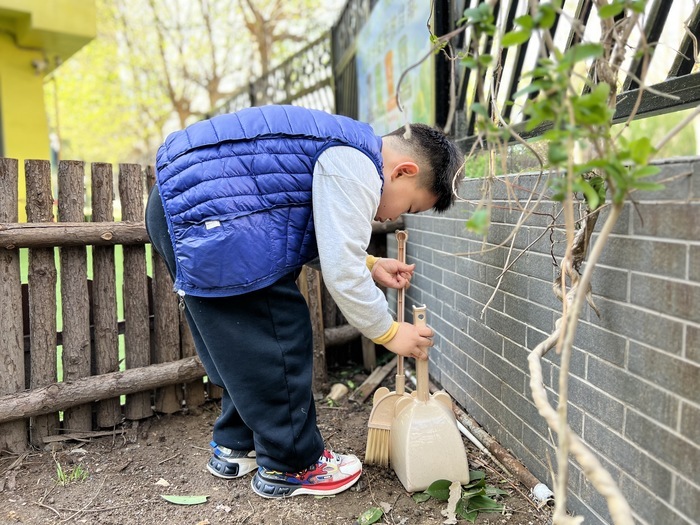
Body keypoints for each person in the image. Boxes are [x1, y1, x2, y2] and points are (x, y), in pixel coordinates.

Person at [145, 104, 462, 499]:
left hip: (178, 206)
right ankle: (293, 465)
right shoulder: (359, 163)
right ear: (403, 172)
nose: (391, 218)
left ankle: (234, 445)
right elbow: (341, 271)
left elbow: (299, 226)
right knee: (280, 335)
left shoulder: (336, 144)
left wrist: (370, 263)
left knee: (239, 343)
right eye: (410, 206)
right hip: (219, 216)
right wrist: (390, 332)